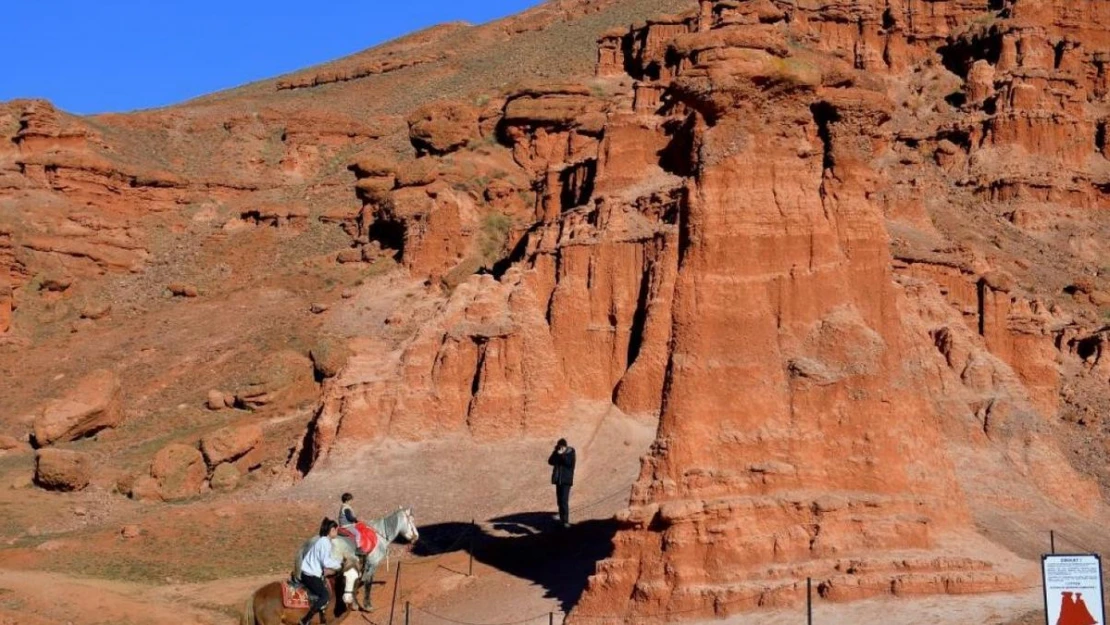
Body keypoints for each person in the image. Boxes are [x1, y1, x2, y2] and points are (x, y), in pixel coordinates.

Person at [299, 518, 343, 625]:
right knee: (325, 595)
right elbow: (326, 563)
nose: (337, 532)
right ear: (332, 530)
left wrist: (338, 560)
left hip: (310, 571)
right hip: (310, 574)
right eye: (336, 530)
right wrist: (339, 564)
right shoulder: (325, 542)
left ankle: (322, 615)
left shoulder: (323, 540)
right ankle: (305, 620)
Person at [548, 438, 576, 528]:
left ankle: (566, 521)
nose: (561, 448)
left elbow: (569, 463)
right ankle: (561, 518)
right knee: (559, 501)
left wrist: (562, 455)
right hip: (558, 481)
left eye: (562, 447)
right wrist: (557, 453)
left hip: (566, 481)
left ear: (565, 446)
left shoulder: (570, 453)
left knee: (564, 500)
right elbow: (550, 461)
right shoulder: (557, 452)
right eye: (560, 447)